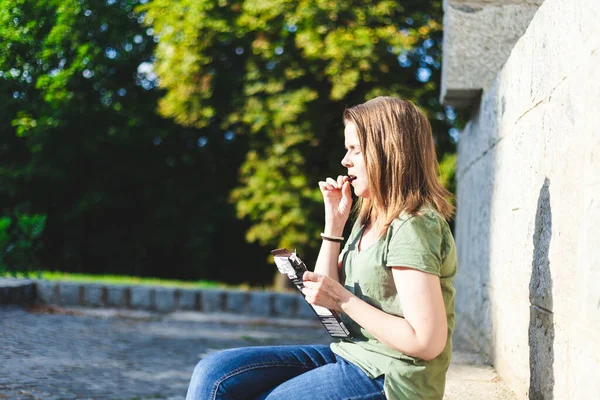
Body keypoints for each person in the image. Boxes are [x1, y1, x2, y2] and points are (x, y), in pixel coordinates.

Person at [185, 96, 457, 400]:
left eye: (355, 149)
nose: (345, 160)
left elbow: (426, 341)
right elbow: (331, 310)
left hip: (393, 378)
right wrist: (334, 225)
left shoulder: (412, 226)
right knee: (215, 373)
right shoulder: (369, 217)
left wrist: (343, 298)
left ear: (387, 151)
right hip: (352, 354)